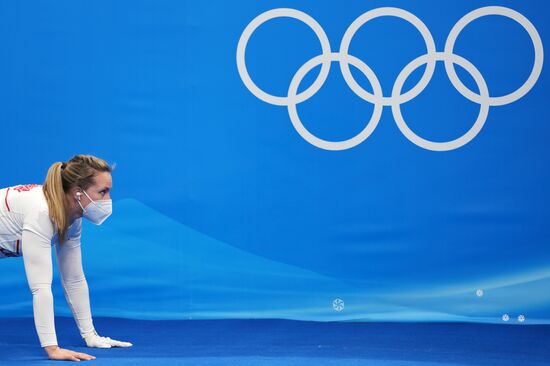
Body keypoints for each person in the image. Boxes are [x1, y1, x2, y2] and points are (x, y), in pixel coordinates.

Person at [0, 154, 132, 361]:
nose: (108, 201)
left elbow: (74, 279)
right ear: (78, 193)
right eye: (102, 192)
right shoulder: (42, 212)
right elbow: (40, 287)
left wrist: (91, 336)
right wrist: (52, 349)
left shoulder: (73, 217)